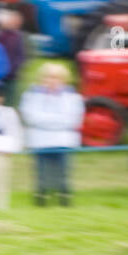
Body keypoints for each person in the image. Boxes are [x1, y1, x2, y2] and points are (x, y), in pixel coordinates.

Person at [20, 62, 85, 206]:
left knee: (63, 173)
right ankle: (41, 199)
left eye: (56, 78)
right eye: (48, 77)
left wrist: (45, 119)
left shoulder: (72, 97)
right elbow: (31, 117)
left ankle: (64, 199)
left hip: (63, 140)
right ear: (42, 79)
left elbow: (73, 119)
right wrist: (57, 120)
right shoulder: (31, 95)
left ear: (63, 79)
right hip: (40, 140)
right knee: (41, 173)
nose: (52, 81)